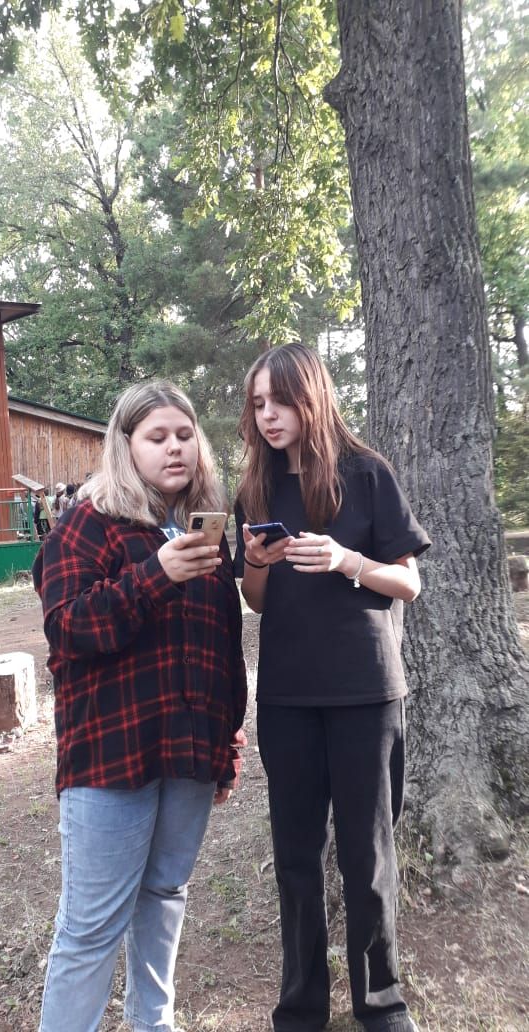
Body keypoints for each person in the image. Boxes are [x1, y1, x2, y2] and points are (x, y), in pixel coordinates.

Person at [33, 381, 247, 1032]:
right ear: (125, 446)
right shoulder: (87, 523)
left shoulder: (204, 530)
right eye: (157, 437)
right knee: (91, 926)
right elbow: (68, 627)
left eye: (184, 435)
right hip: (110, 754)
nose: (174, 447)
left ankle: (154, 1023)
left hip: (188, 752)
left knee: (165, 894)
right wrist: (157, 574)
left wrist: (227, 743)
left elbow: (222, 645)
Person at [234, 343, 430, 1032]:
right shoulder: (255, 489)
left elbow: (408, 583)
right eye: (258, 403)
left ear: (310, 397)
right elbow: (257, 600)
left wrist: (348, 560)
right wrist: (256, 562)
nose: (268, 415)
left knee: (366, 857)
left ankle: (381, 1004)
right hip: (286, 696)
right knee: (295, 858)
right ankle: (300, 1006)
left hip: (365, 694)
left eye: (280, 400)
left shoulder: (367, 474)